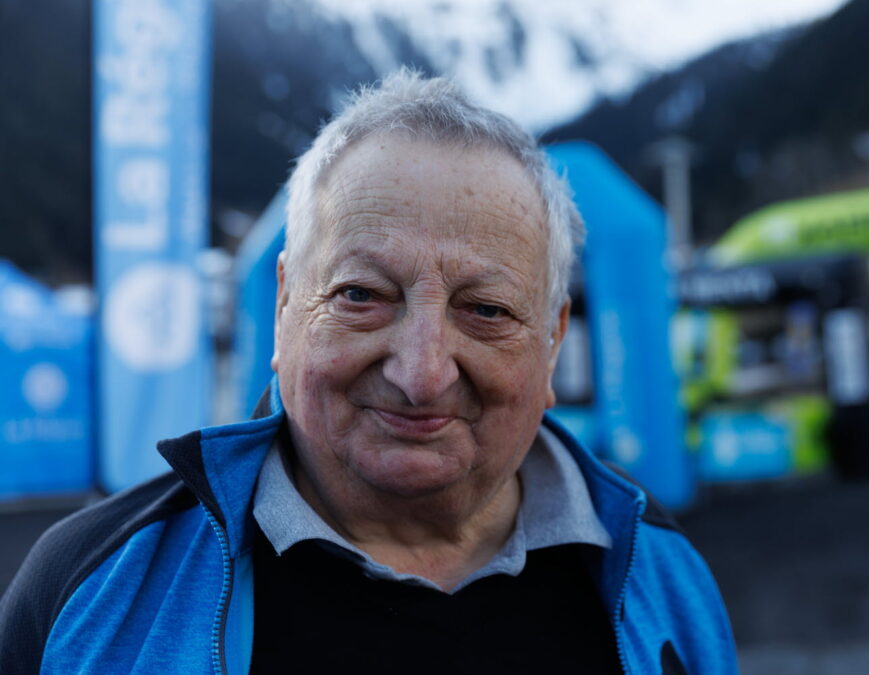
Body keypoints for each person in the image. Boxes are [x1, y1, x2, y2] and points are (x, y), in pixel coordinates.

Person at [0, 69, 737, 674]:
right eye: (361, 295)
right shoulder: (88, 590)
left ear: (550, 343)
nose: (422, 373)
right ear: (285, 302)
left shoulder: (664, 578)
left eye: (484, 310)